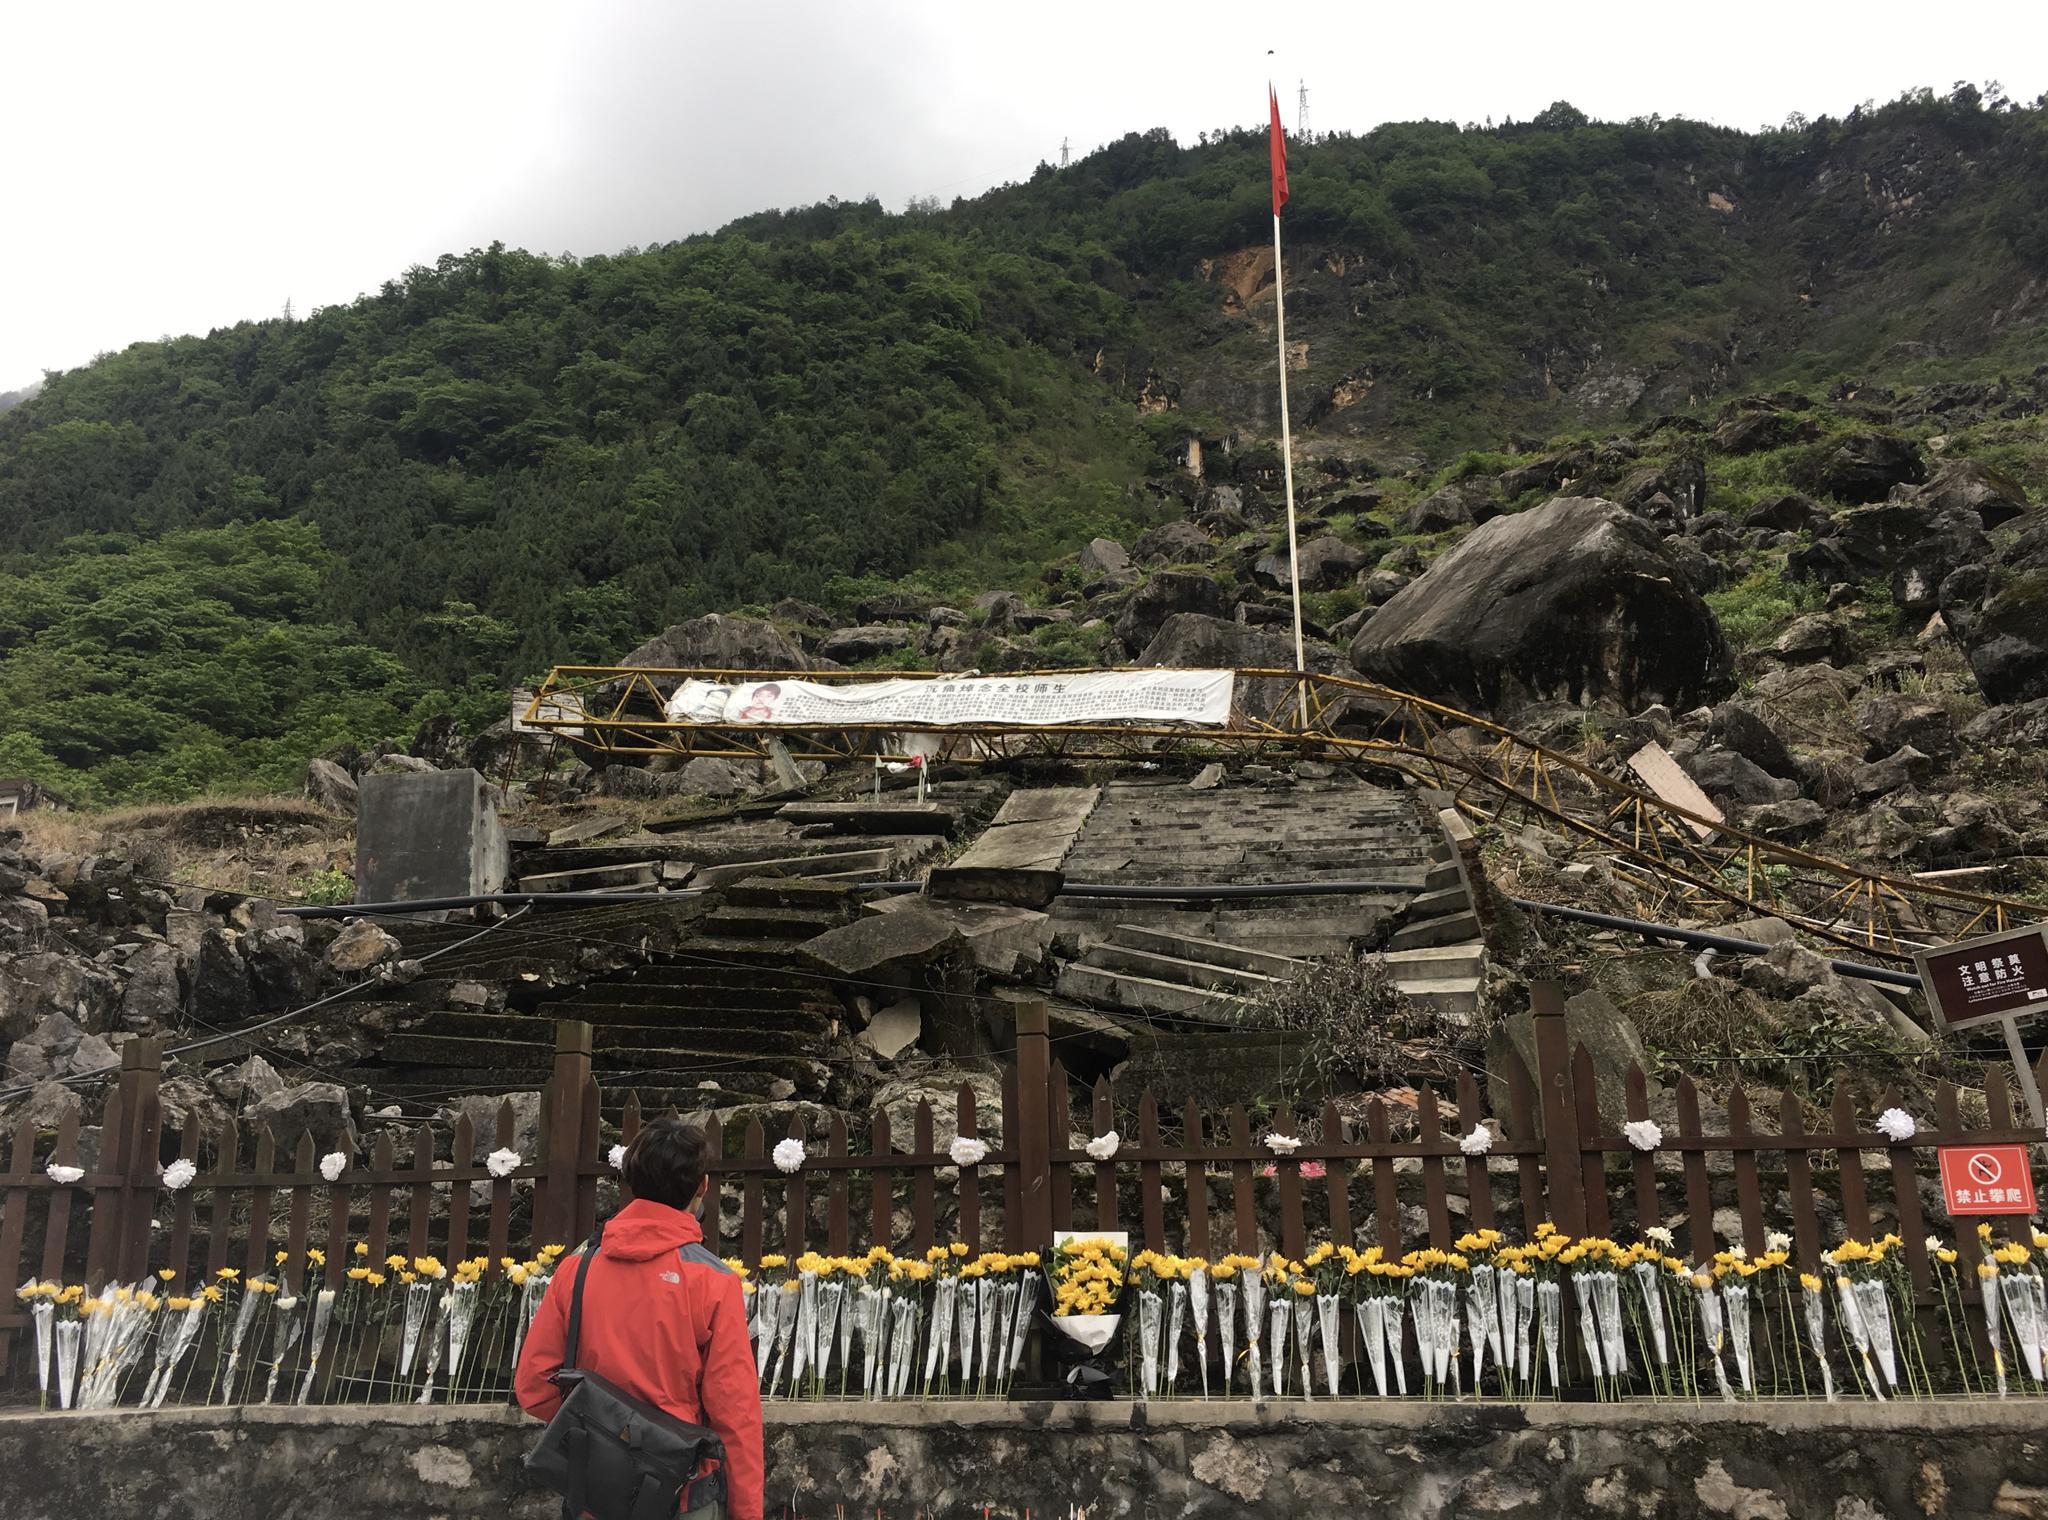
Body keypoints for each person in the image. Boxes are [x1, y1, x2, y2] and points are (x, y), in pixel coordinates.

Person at [515, 1118, 764, 1520]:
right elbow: (736, 1415)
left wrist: (605, 1434)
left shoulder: (576, 1269)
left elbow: (534, 1386)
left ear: (630, 1180)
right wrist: (747, 1512)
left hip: (595, 1493)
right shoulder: (713, 1280)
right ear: (702, 1186)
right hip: (682, 1491)